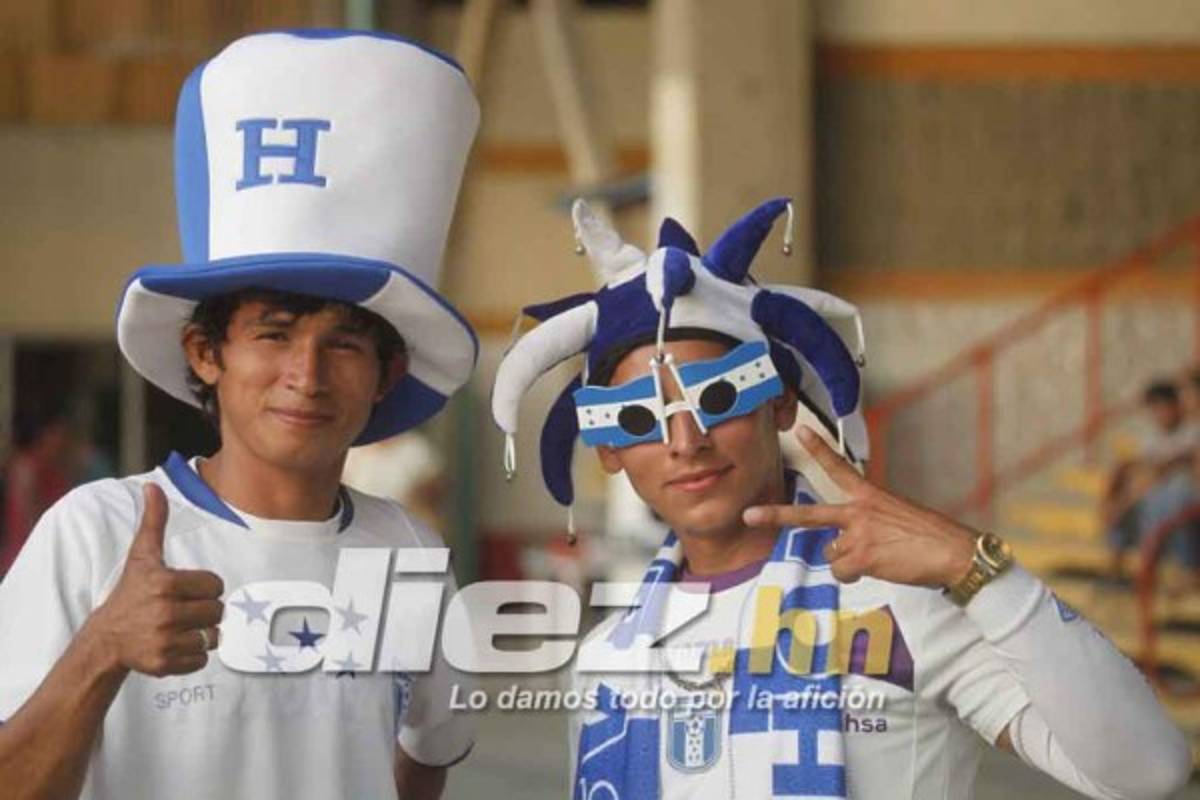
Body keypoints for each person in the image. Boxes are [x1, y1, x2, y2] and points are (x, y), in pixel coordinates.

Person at [492, 199, 1191, 799]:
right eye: (639, 418)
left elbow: (1149, 774)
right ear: (608, 449)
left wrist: (977, 568)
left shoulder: (900, 605)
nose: (686, 441)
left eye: (720, 396)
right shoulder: (606, 659)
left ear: (780, 402)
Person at [0, 30, 480, 800]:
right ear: (205, 353)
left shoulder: (409, 551)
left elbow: (430, 752)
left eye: (344, 343)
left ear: (386, 375)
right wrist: (102, 649)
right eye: (273, 334)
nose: (306, 376)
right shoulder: (94, 533)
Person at [1105, 379, 1200, 586]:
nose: (1159, 414)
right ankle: (1117, 571)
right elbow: (1141, 467)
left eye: (1162, 408)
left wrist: (1150, 476)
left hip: (1183, 500)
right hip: (1156, 497)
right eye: (1154, 409)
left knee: (1172, 497)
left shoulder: (1193, 432)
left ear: (1176, 406)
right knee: (1125, 504)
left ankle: (1186, 571)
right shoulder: (1151, 438)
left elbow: (1181, 463)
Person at [1, 410, 74, 577]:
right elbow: (31, 516)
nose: (62, 443)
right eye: (56, 435)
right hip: (27, 557)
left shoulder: (55, 470)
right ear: (43, 436)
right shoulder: (25, 467)